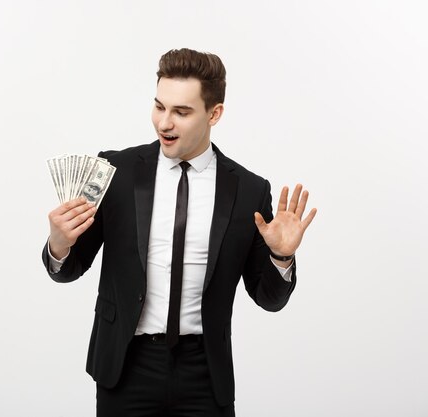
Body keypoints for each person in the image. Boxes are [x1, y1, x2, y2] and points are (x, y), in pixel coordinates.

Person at [42, 48, 317, 417]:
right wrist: (59, 243)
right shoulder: (112, 170)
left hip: (204, 374)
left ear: (214, 113)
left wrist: (281, 256)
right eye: (159, 107)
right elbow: (70, 267)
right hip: (125, 367)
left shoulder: (250, 191)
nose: (164, 123)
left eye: (181, 112)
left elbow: (269, 298)